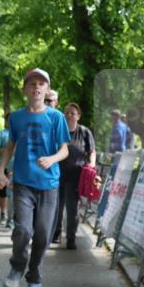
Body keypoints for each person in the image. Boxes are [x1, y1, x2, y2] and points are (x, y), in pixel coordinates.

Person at [0, 68, 70, 287]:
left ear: (47, 89)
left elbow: (64, 150)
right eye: (32, 84)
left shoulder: (56, 117)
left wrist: (52, 159)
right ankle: (18, 266)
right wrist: (1, 170)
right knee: (22, 230)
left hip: (49, 184)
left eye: (41, 84)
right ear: (25, 89)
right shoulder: (16, 117)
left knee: (42, 234)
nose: (37, 87)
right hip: (24, 182)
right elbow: (10, 147)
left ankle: (35, 276)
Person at [52, 103, 95, 249]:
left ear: (78, 116)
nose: (69, 115)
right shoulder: (58, 130)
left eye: (73, 113)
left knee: (72, 209)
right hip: (57, 175)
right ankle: (56, 233)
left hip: (76, 177)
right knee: (57, 207)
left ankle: (71, 238)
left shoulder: (84, 132)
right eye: (67, 113)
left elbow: (92, 151)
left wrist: (92, 165)